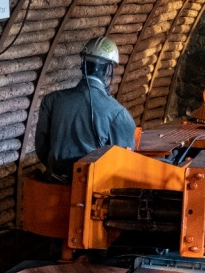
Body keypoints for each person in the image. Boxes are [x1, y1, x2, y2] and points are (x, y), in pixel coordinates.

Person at [34, 36, 137, 182]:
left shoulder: (51, 101)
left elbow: (41, 147)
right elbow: (123, 163)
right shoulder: (118, 114)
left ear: (83, 64)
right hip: (92, 191)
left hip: (52, 183)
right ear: (108, 70)